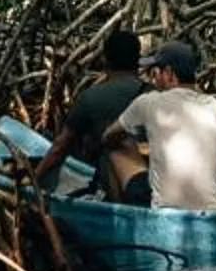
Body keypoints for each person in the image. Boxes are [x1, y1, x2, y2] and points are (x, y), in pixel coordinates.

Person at [108, 39, 216, 210]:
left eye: (155, 73)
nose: (153, 80)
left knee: (115, 149)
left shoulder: (148, 102)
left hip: (167, 214)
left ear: (168, 73)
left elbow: (108, 135)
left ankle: (118, 220)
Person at [33, 28, 146, 199]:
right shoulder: (155, 95)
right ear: (138, 60)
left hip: (116, 190)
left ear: (105, 60)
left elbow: (60, 147)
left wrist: (34, 178)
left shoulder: (90, 98)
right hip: (160, 184)